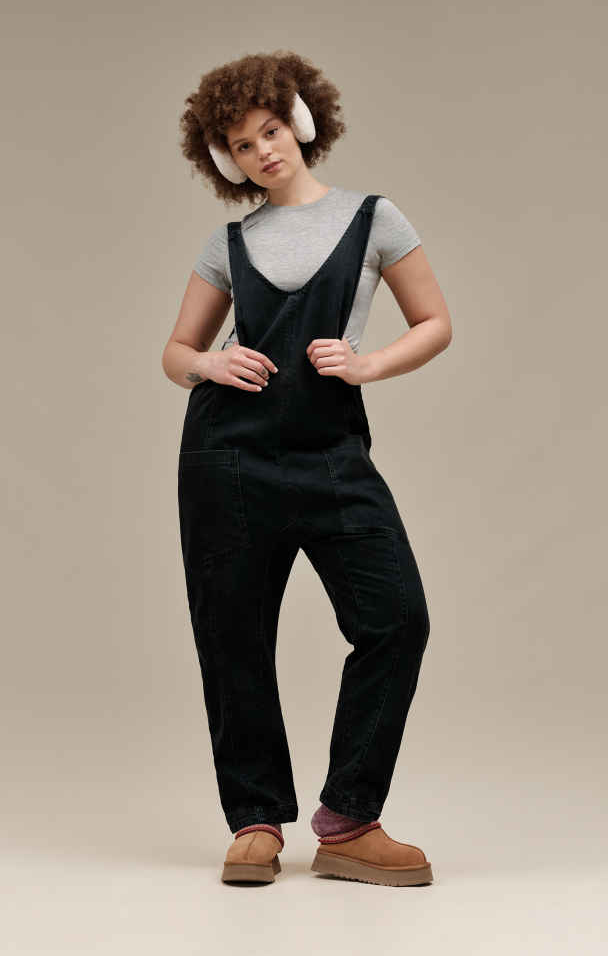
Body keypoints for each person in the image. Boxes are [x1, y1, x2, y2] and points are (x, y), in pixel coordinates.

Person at [162, 50, 452, 887]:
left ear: (301, 121)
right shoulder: (228, 243)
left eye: (271, 130)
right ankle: (255, 821)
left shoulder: (374, 219)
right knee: (233, 637)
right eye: (241, 145)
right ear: (226, 161)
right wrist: (209, 364)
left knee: (397, 619)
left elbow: (434, 322)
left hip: (330, 454)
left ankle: (349, 820)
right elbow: (176, 352)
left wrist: (368, 365)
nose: (263, 151)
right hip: (227, 458)